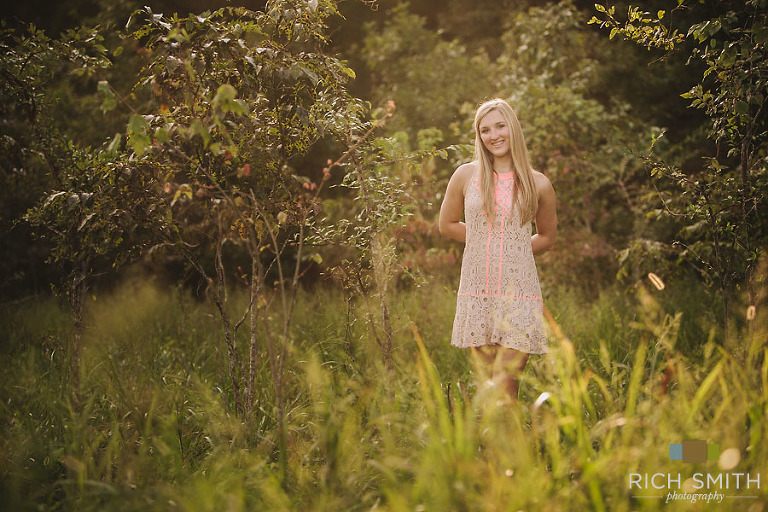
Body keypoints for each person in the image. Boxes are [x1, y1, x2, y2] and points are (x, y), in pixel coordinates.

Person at [438, 98, 557, 402]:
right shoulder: (466, 176)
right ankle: (498, 449)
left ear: (512, 128)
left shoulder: (538, 183)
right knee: (492, 389)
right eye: (485, 130)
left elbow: (546, 237)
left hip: (519, 294)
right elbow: (448, 224)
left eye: (500, 126)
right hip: (478, 292)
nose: (494, 135)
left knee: (505, 384)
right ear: (479, 137)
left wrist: (512, 248)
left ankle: (514, 446)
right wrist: (485, 240)